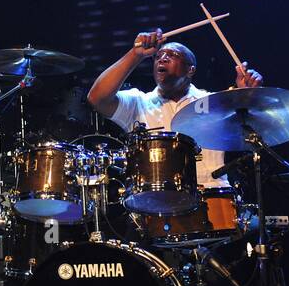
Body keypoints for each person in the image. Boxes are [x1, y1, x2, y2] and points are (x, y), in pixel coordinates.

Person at [86, 30, 263, 187]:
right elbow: (96, 98)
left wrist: (246, 96)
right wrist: (136, 54)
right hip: (154, 200)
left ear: (190, 70)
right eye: (158, 56)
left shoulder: (213, 102)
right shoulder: (138, 103)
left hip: (212, 196)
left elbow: (255, 132)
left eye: (172, 55)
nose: (162, 58)